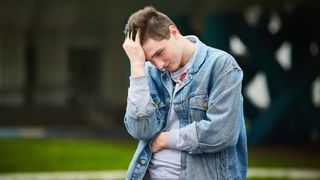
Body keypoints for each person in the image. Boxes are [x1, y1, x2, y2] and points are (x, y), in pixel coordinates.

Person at [122, 6, 248, 180]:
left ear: (174, 32)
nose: (158, 64)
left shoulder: (221, 66)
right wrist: (137, 66)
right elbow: (141, 130)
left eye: (159, 52)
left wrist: (166, 140)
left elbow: (221, 134)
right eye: (150, 59)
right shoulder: (150, 72)